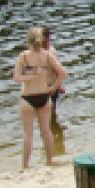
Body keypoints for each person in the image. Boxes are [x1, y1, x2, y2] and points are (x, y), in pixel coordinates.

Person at [12, 26, 66, 169]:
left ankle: (25, 165)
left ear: (28, 41)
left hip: (27, 97)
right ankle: (50, 161)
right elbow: (62, 73)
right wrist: (53, 87)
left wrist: (30, 74)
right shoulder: (47, 55)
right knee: (46, 131)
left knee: (28, 134)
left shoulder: (23, 56)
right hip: (44, 95)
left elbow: (16, 78)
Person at [41, 25, 67, 155]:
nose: (44, 43)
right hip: (43, 89)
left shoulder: (51, 52)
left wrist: (58, 85)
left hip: (52, 89)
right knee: (48, 118)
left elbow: (59, 71)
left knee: (50, 116)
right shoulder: (39, 53)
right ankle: (51, 146)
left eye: (45, 40)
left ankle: (55, 146)